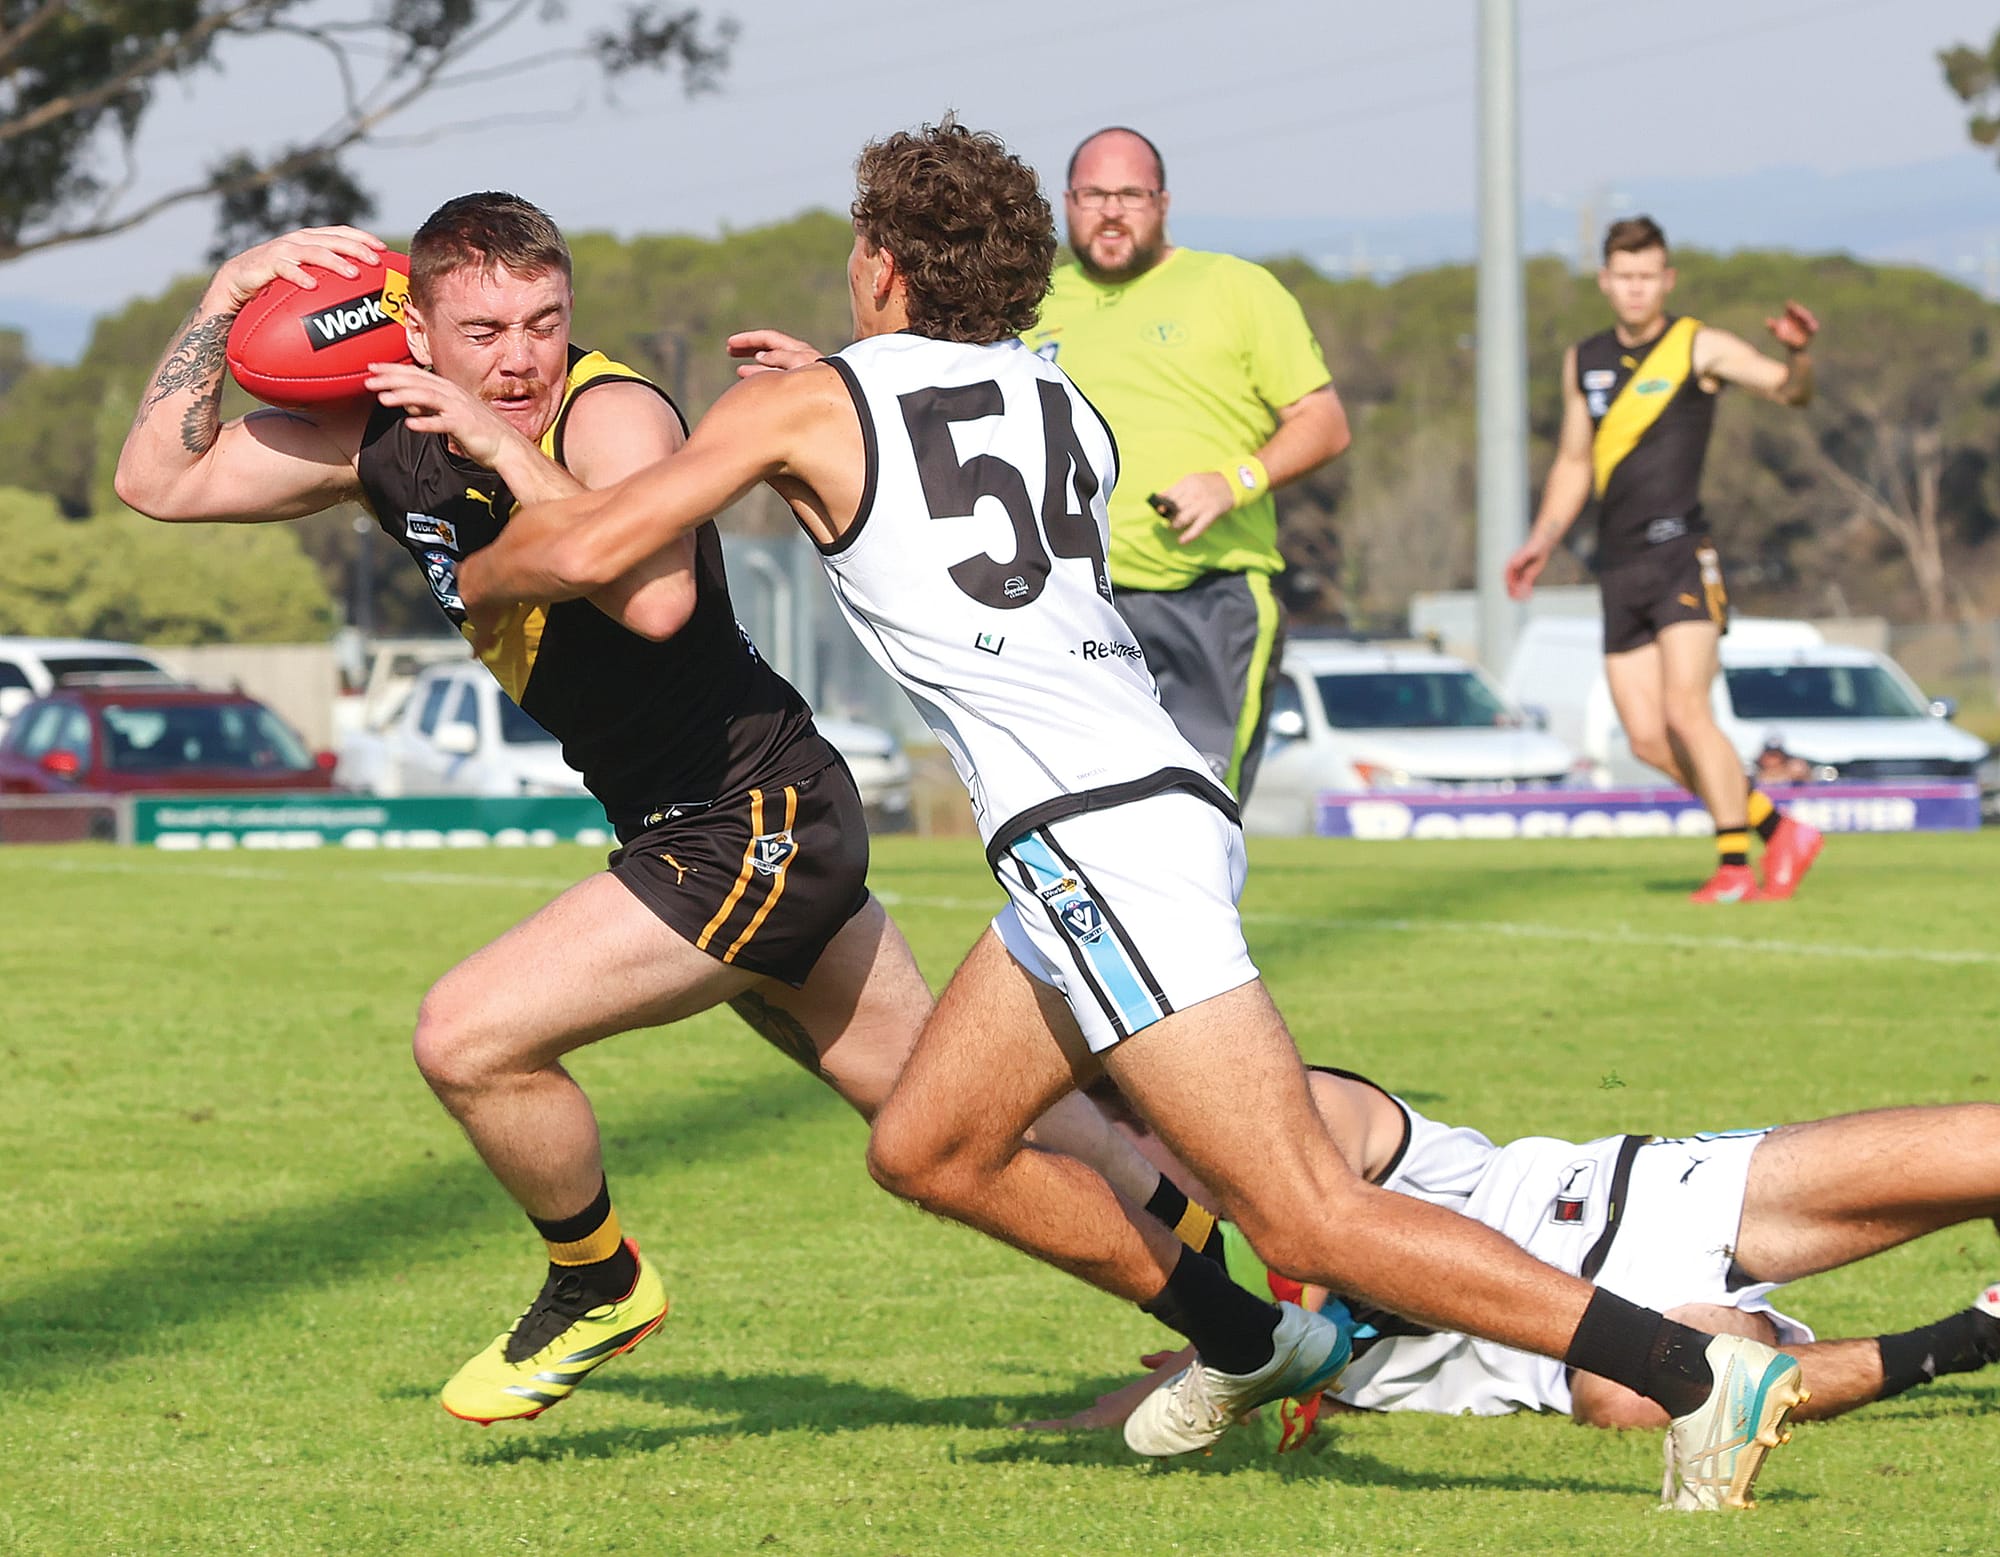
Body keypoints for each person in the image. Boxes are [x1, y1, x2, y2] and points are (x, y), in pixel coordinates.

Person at [456, 119, 1807, 1511]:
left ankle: (1697, 1375)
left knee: (1303, 1210)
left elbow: (598, 544)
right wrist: (815, 415)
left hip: (1095, 835)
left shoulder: (812, 408)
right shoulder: (1061, 403)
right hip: (1126, 813)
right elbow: (920, 516)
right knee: (928, 1145)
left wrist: (476, 533)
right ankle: (1242, 1339)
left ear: (879, 267)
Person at [115, 192, 1301, 1433]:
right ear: (411, 327)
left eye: (542, 321)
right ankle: (1276, 1332)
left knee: (468, 1037)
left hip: (748, 819)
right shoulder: (377, 432)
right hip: (697, 822)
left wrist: (494, 444)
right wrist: (225, 295)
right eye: (482, 332)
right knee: (994, 1128)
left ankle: (596, 1278)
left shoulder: (609, 412)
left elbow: (652, 602)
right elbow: (156, 480)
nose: (518, 357)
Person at [1031, 1071, 2000, 1438]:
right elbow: (1193, 1390)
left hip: (1616, 1207)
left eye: (1122, 1159)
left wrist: (1260, 1346)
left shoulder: (1291, 1106)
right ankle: (1975, 1335)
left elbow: (1314, 1233)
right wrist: (1216, 1363)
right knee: (1635, 1400)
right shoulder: (1233, 1302)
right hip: (1575, 1362)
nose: (1135, 1190)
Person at [1013, 127, 1350, 801]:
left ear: (1162, 201)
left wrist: (1233, 483)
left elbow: (1324, 422)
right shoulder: (1029, 302)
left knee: (1199, 812)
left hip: (1210, 597)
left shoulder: (1235, 288)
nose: (1111, 211)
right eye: (1093, 194)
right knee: (1084, 813)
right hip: (1077, 603)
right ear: (1067, 202)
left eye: (1130, 194)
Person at [1505, 215, 1823, 904]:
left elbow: (1789, 390)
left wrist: (1798, 357)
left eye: (1649, 276)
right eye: (1624, 276)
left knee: (1686, 710)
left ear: (1667, 279)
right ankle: (1780, 828)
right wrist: (1541, 539)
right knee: (1647, 738)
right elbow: (1571, 460)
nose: (1636, 289)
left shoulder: (1697, 345)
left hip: (1682, 552)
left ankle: (1735, 866)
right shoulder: (1582, 359)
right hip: (1617, 567)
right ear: (1605, 280)